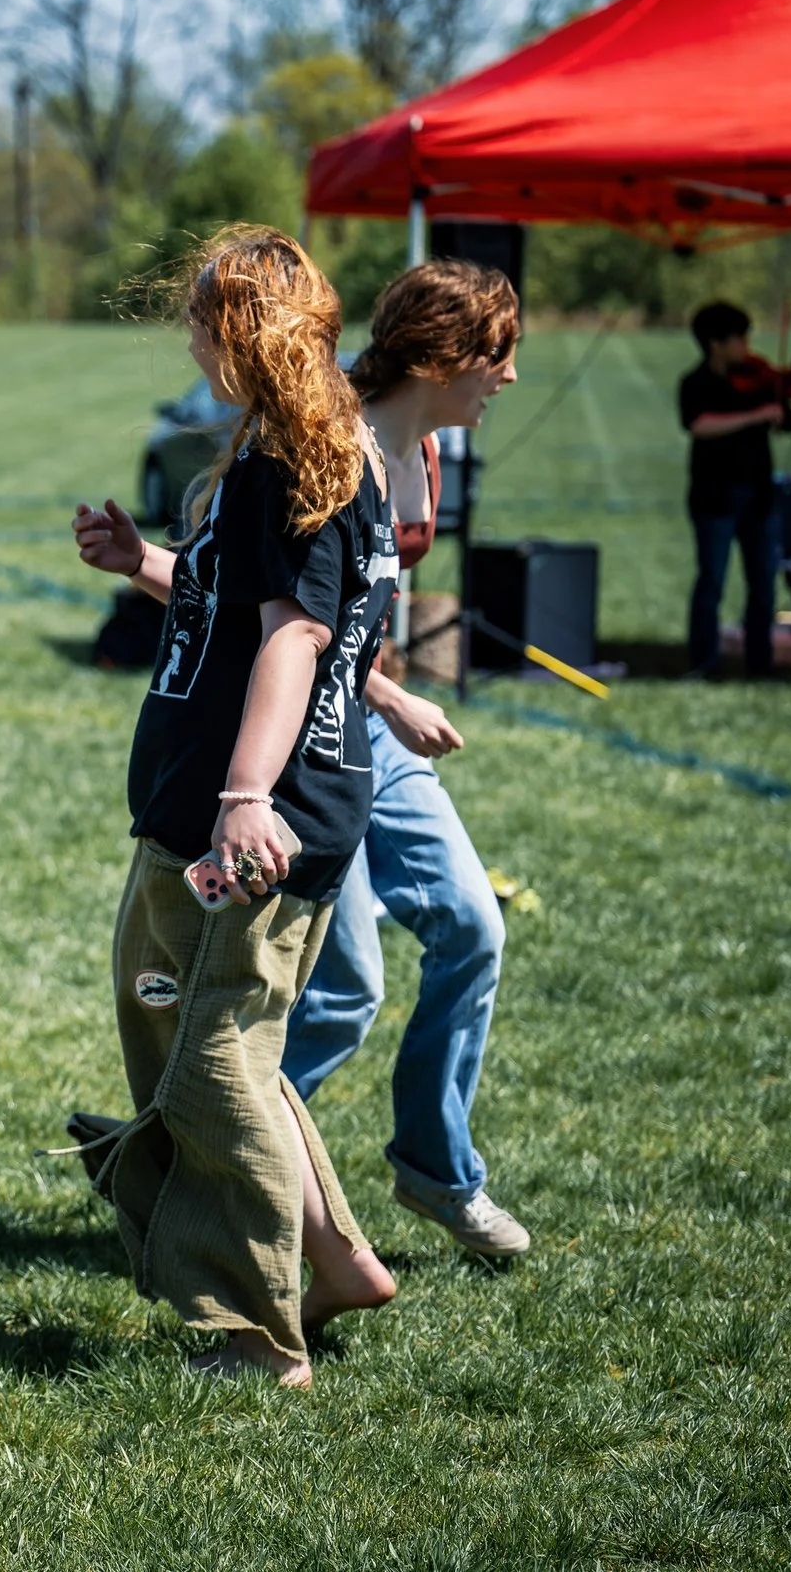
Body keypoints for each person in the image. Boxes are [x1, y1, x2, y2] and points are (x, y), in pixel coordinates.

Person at [70, 226, 401, 1387]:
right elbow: (242, 606)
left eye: (204, 318)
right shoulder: (289, 446)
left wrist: (246, 794)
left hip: (250, 814)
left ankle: (258, 1333)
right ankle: (337, 1258)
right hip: (208, 803)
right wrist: (144, 562)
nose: (193, 337)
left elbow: (300, 634)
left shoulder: (289, 464)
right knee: (225, 1050)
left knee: (211, 1062)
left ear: (238, 333)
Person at [281, 259, 530, 1259]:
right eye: (497, 354)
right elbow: (287, 625)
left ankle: (435, 1170)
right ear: (441, 354)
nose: (507, 377)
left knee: (472, 927)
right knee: (343, 992)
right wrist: (388, 690)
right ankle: (191, 1155)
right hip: (305, 732)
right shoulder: (319, 448)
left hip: (370, 722)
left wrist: (381, 693)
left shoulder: (421, 446)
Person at [681, 301, 786, 678]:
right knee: (712, 581)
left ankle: (761, 665)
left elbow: (783, 420)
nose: (746, 345)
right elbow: (698, 423)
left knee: (763, 585)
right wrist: (755, 416)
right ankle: (704, 663)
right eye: (739, 337)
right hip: (716, 497)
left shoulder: (759, 382)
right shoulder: (695, 383)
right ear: (716, 343)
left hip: (759, 496)